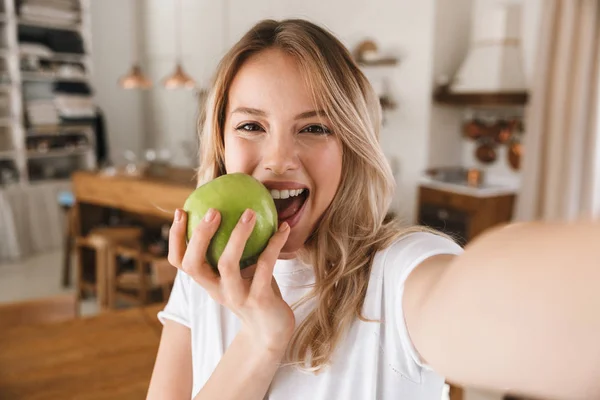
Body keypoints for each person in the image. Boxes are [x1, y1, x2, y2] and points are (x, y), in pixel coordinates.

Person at [147, 19, 600, 400]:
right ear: (222, 142)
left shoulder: (396, 277)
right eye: (251, 125)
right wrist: (261, 343)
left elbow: (492, 303)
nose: (279, 157)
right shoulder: (202, 279)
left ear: (351, 146)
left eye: (315, 127)